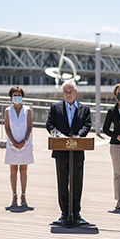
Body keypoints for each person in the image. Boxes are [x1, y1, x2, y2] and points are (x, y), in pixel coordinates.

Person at [46, 80, 91, 222]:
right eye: (66, 91)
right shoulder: (55, 107)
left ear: (76, 92)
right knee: (62, 181)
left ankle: (76, 212)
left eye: (71, 91)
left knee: (77, 182)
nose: (68, 93)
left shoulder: (85, 109)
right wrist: (59, 135)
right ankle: (64, 213)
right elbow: (49, 124)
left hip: (77, 150)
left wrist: (80, 135)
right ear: (62, 93)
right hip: (61, 149)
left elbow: (87, 124)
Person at [4, 86, 34, 207]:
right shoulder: (7, 110)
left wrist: (24, 140)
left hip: (25, 143)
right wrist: (13, 141)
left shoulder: (28, 110)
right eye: (15, 95)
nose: (17, 97)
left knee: (23, 170)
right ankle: (14, 196)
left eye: (19, 95)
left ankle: (23, 195)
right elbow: (6, 127)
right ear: (11, 97)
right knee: (13, 170)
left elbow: (30, 126)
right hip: (12, 143)